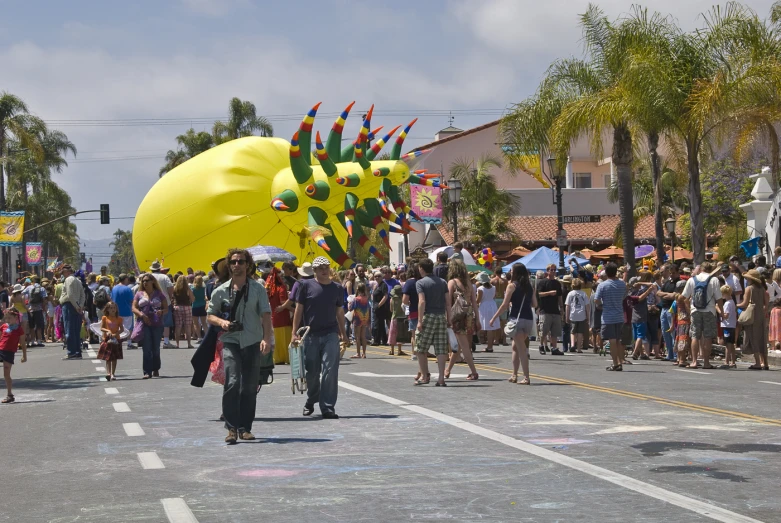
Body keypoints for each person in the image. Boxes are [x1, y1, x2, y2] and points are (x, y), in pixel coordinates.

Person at [207, 248, 272, 442]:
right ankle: (231, 428)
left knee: (250, 387)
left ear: (248, 265)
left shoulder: (258, 289)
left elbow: (266, 315)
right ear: (229, 266)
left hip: (252, 341)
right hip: (231, 342)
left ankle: (245, 428)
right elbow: (210, 315)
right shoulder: (220, 291)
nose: (237, 265)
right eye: (234, 262)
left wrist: (267, 339)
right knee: (232, 382)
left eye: (241, 262)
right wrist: (222, 323)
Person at [291, 256, 346, 419]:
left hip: (330, 333)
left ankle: (327, 407)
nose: (324, 270)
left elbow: (339, 312)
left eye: (326, 267)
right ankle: (312, 398)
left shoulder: (337, 288)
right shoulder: (305, 285)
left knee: (330, 370)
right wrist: (294, 333)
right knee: (312, 372)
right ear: (314, 271)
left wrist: (343, 332)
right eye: (320, 268)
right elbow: (298, 310)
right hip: (310, 335)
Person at [492, 263, 537, 384]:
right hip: (528, 319)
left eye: (511, 271)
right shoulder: (529, 286)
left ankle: (526, 377)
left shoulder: (511, 286)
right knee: (515, 347)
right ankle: (514, 375)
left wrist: (494, 318)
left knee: (521, 349)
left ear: (515, 273)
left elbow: (504, 305)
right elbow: (535, 304)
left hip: (516, 319)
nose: (510, 273)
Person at [414, 258, 450, 386]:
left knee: (420, 348)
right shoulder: (442, 282)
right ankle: (441, 378)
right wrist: (449, 318)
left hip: (428, 315)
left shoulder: (420, 283)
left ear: (422, 269)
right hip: (441, 316)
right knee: (441, 348)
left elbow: (422, 301)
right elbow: (448, 302)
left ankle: (425, 375)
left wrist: (419, 320)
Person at [681, 262, 722, 369]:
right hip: (710, 311)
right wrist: (721, 311)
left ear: (701, 269)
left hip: (695, 311)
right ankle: (707, 362)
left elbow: (684, 297)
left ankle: (694, 361)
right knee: (708, 337)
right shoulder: (714, 280)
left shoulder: (692, 279)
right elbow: (719, 298)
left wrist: (689, 309)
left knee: (695, 336)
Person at [444, 260, 480, 381]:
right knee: (459, 345)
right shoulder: (469, 284)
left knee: (463, 345)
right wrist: (478, 319)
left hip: (457, 315)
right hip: (469, 314)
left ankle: (474, 372)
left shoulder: (452, 282)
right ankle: (448, 370)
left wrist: (448, 318)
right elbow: (474, 302)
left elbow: (448, 302)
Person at [132, 274, 168, 379]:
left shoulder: (159, 294)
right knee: (146, 348)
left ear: (153, 281)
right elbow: (134, 308)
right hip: (144, 324)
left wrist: (162, 311)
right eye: (143, 281)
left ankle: (156, 368)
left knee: (155, 348)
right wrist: (141, 315)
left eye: (147, 280)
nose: (145, 283)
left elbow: (166, 308)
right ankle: (147, 371)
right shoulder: (139, 294)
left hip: (157, 324)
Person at [594, 262, 627, 371]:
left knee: (612, 340)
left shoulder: (602, 285)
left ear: (606, 272)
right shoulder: (622, 284)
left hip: (608, 316)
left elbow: (597, 300)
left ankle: (615, 363)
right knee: (618, 340)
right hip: (619, 315)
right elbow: (624, 296)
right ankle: (619, 361)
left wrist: (602, 305)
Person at [736, 269, 769, 370]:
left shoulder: (749, 288)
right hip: (761, 315)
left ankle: (758, 363)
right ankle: (765, 363)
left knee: (753, 337)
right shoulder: (763, 289)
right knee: (762, 338)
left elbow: (745, 303)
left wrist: (736, 305)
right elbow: (766, 304)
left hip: (752, 315)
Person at [265, 267, 292, 365]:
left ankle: (278, 358)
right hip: (283, 316)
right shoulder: (282, 287)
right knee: (286, 336)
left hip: (273, 315)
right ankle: (287, 357)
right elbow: (283, 302)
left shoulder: (269, 288)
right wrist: (293, 309)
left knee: (277, 337)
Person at [537, 264, 564, 356]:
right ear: (547, 271)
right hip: (545, 309)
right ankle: (541, 345)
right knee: (544, 330)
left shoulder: (557, 283)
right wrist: (549, 293)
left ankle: (554, 347)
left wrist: (561, 308)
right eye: (551, 270)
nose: (553, 271)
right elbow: (539, 294)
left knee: (555, 331)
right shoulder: (543, 282)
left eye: (554, 270)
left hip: (555, 310)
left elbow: (560, 296)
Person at [0, 309, 26, 404]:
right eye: (6, 318)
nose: (8, 320)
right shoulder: (3, 326)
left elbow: (23, 344)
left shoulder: (19, 329)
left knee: (6, 374)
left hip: (9, 352)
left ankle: (9, 395)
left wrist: (24, 356)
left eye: (10, 318)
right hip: (0, 349)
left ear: (16, 318)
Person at [59, 265, 85, 360]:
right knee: (76, 330)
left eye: (63, 272)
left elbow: (69, 295)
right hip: (76, 306)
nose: (63, 274)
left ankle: (71, 352)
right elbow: (83, 295)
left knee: (69, 330)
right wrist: (80, 306)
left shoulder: (68, 279)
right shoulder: (78, 280)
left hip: (69, 305)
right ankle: (77, 351)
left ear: (68, 271)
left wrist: (76, 306)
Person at [656, 264, 680, 362]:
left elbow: (675, 295)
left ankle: (675, 354)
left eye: (674, 273)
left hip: (672, 310)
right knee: (665, 332)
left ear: (678, 272)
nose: (672, 275)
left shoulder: (679, 283)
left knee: (673, 332)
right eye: (670, 273)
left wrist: (666, 295)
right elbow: (658, 292)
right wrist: (667, 295)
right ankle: (669, 354)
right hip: (664, 309)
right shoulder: (667, 282)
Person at [149, 261, 175, 349]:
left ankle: (153, 341)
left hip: (151, 302)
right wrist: (170, 297)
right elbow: (171, 288)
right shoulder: (164, 277)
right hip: (165, 302)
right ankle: (166, 342)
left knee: (153, 322)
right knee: (166, 323)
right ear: (160, 268)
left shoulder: (149, 277)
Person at [97, 302, 125, 381]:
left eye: (114, 308)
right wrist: (108, 331)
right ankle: (108, 373)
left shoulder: (119, 319)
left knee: (114, 358)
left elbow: (122, 329)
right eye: (111, 308)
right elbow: (102, 328)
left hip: (116, 340)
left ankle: (113, 373)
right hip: (107, 340)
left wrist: (116, 334)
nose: (113, 310)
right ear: (108, 309)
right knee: (108, 357)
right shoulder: (105, 318)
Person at [565, 278, 589, 354]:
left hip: (573, 314)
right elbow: (587, 306)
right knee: (580, 332)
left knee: (572, 332)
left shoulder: (570, 293)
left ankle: (572, 345)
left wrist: (567, 316)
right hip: (581, 314)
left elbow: (567, 306)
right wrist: (588, 315)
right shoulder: (583, 293)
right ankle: (578, 348)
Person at [476, 272, 499, 352]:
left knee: (485, 325)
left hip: (484, 306)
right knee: (490, 327)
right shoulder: (493, 287)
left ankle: (486, 344)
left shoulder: (481, 289)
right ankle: (490, 346)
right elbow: (494, 295)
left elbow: (478, 300)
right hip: (492, 305)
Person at [112, 274, 136, 349]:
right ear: (125, 279)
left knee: (118, 327)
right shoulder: (127, 289)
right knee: (128, 328)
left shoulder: (114, 288)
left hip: (116, 311)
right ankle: (129, 343)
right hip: (127, 311)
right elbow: (132, 300)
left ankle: (116, 341)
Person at [402, 264, 421, 361]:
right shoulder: (421, 281)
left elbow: (405, 300)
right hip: (424, 310)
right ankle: (422, 352)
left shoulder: (409, 283)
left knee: (414, 334)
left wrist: (408, 303)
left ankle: (414, 353)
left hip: (413, 310)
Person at [172, 275, 195, 349]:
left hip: (177, 307)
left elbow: (172, 297)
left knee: (178, 326)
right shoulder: (187, 289)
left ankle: (177, 344)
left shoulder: (175, 288)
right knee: (188, 326)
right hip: (187, 307)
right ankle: (189, 344)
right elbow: (192, 299)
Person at [23, 277, 47, 347]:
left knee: (31, 326)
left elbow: (22, 293)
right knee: (39, 326)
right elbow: (44, 299)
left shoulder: (29, 287)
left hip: (30, 309)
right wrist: (44, 308)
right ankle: (39, 341)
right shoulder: (42, 288)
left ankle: (32, 341)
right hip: (39, 309)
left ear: (33, 281)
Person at [349, 282, 370, 359]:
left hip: (357, 318)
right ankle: (364, 353)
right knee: (363, 336)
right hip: (364, 318)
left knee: (357, 337)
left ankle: (358, 353)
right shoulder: (366, 299)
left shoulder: (356, 299)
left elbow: (350, 308)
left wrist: (349, 303)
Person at [719, 285, 737, 369]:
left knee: (728, 344)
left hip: (727, 325)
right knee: (731, 343)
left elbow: (725, 315)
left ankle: (726, 361)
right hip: (732, 325)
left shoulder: (727, 303)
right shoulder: (732, 302)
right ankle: (733, 361)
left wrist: (718, 309)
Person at [387, 284, 407, 356]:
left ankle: (392, 350)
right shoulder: (402, 299)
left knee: (392, 334)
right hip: (401, 318)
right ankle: (399, 350)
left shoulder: (392, 299)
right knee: (400, 334)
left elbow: (391, 309)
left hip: (394, 317)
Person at [371, 271, 389, 346]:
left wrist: (379, 305)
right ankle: (384, 340)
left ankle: (377, 341)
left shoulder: (383, 285)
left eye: (379, 276)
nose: (377, 277)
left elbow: (385, 296)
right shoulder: (377, 285)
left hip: (380, 307)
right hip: (375, 306)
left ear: (382, 277)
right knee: (380, 324)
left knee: (378, 324)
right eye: (375, 276)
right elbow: (373, 295)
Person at [491, 268, 508, 346]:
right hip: (502, 299)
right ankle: (504, 339)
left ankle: (496, 339)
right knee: (504, 321)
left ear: (495, 271)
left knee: (495, 320)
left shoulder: (492, 280)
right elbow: (506, 291)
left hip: (495, 300)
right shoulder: (505, 281)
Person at [191, 275, 208, 343]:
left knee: (196, 323)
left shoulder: (192, 288)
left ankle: (199, 337)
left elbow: (192, 298)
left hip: (195, 306)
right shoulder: (204, 288)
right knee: (204, 323)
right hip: (203, 306)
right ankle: (207, 336)